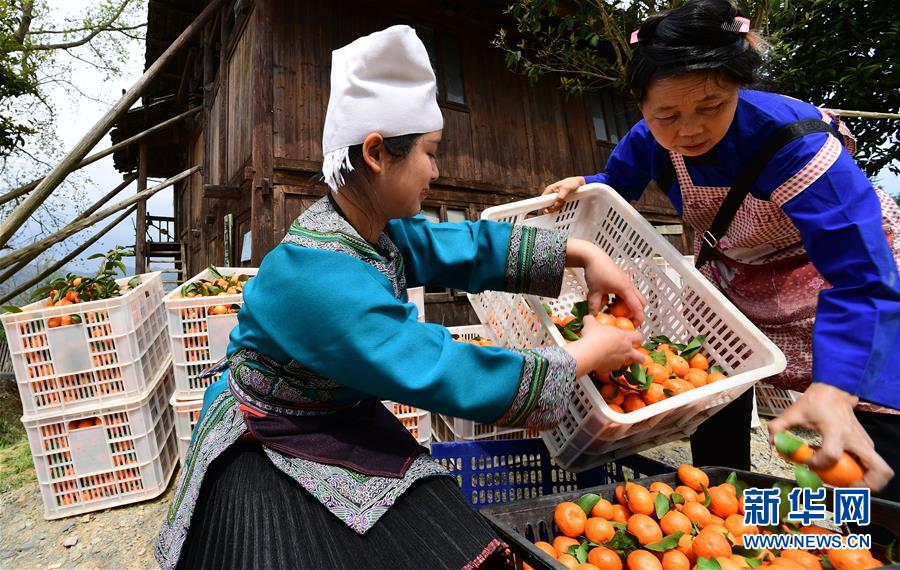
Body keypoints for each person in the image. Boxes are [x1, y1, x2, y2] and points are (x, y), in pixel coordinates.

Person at [156, 25, 647, 569]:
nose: (436, 172)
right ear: (376, 153)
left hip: (339, 413)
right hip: (274, 436)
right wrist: (585, 355)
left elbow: (460, 245)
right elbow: (436, 367)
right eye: (430, 154)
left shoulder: (373, 229)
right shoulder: (316, 279)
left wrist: (584, 252)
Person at [543, 0, 900, 497]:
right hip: (737, 278)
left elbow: (863, 276)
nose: (688, 130)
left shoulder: (798, 145)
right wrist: (583, 183)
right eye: (666, 114)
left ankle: (877, 526)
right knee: (718, 385)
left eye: (712, 107)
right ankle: (724, 502)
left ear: (738, 87)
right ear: (639, 102)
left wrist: (838, 388)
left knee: (870, 418)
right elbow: (616, 184)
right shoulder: (648, 139)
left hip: (832, 282)